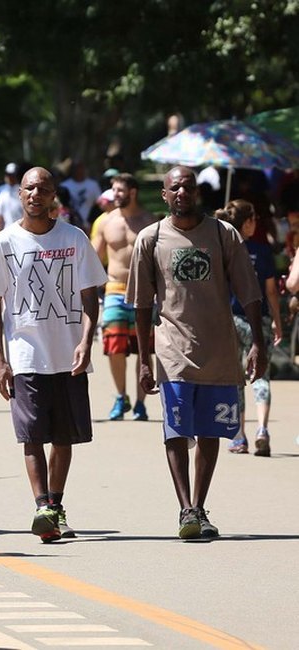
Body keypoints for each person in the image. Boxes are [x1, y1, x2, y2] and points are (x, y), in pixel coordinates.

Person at [126, 166, 265, 540]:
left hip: (219, 352)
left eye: (188, 186)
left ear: (197, 192)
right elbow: (140, 305)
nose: (182, 193)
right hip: (172, 352)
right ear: (166, 196)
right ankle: (186, 507)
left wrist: (258, 343)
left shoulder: (223, 235)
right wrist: (143, 358)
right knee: (175, 430)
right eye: (175, 188)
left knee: (209, 432)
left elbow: (250, 292)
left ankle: (199, 507)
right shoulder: (150, 239)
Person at [0, 167, 107, 542]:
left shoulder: (75, 238)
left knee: (63, 437)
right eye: (30, 188)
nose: (36, 194)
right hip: (25, 355)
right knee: (32, 436)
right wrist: (0, 360)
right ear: (19, 193)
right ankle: (42, 508)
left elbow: (89, 299)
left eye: (43, 189)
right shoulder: (3, 243)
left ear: (53, 196)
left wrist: (86, 341)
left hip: (68, 355)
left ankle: (56, 502)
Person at [214, 201, 282, 456]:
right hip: (258, 321)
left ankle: (238, 435)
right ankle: (262, 429)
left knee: (236, 378)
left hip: (230, 320)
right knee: (260, 376)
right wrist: (276, 320)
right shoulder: (262, 252)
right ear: (247, 223)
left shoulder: (222, 250)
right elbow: (271, 291)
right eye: (254, 219)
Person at [91, 174, 157, 421]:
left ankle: (141, 402)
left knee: (144, 348)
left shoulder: (149, 222)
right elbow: (93, 257)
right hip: (115, 290)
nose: (115, 195)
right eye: (113, 190)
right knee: (114, 346)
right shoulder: (106, 222)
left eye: (119, 190)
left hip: (143, 293)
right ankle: (121, 397)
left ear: (133, 192)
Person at [60, 162, 102, 228]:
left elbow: (99, 204)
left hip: (89, 225)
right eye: (76, 168)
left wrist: (91, 221)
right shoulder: (64, 185)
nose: (79, 171)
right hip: (69, 224)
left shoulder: (93, 185)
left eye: (81, 168)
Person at [0, 163, 23, 234]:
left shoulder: (3, 194)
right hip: (12, 234)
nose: (10, 178)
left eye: (12, 175)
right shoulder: (3, 194)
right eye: (8, 175)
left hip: (18, 234)